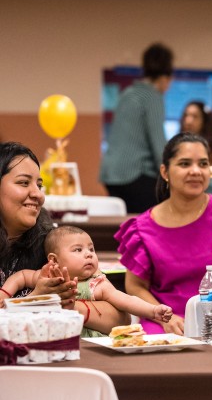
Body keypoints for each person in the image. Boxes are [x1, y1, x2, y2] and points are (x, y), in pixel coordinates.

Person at [115, 132, 212, 335]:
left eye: (203, 164)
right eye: (184, 164)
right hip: (166, 323)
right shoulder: (142, 229)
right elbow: (135, 286)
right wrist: (164, 318)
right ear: (165, 171)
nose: (195, 171)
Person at [0, 141, 129, 333]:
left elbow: (121, 319)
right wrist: (36, 299)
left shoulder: (53, 245)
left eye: (39, 184)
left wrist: (68, 305)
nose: (38, 194)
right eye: (24, 183)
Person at [0, 225, 173, 337]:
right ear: (54, 260)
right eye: (78, 250)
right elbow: (21, 276)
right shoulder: (47, 276)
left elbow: (126, 300)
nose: (88, 254)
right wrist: (4, 294)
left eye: (91, 249)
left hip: (89, 344)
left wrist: (153, 311)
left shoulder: (96, 284)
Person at [100, 42, 174, 213]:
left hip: (111, 173)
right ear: (165, 78)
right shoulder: (152, 97)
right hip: (134, 173)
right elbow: (158, 145)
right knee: (151, 221)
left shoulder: (128, 93)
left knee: (124, 224)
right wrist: (172, 172)